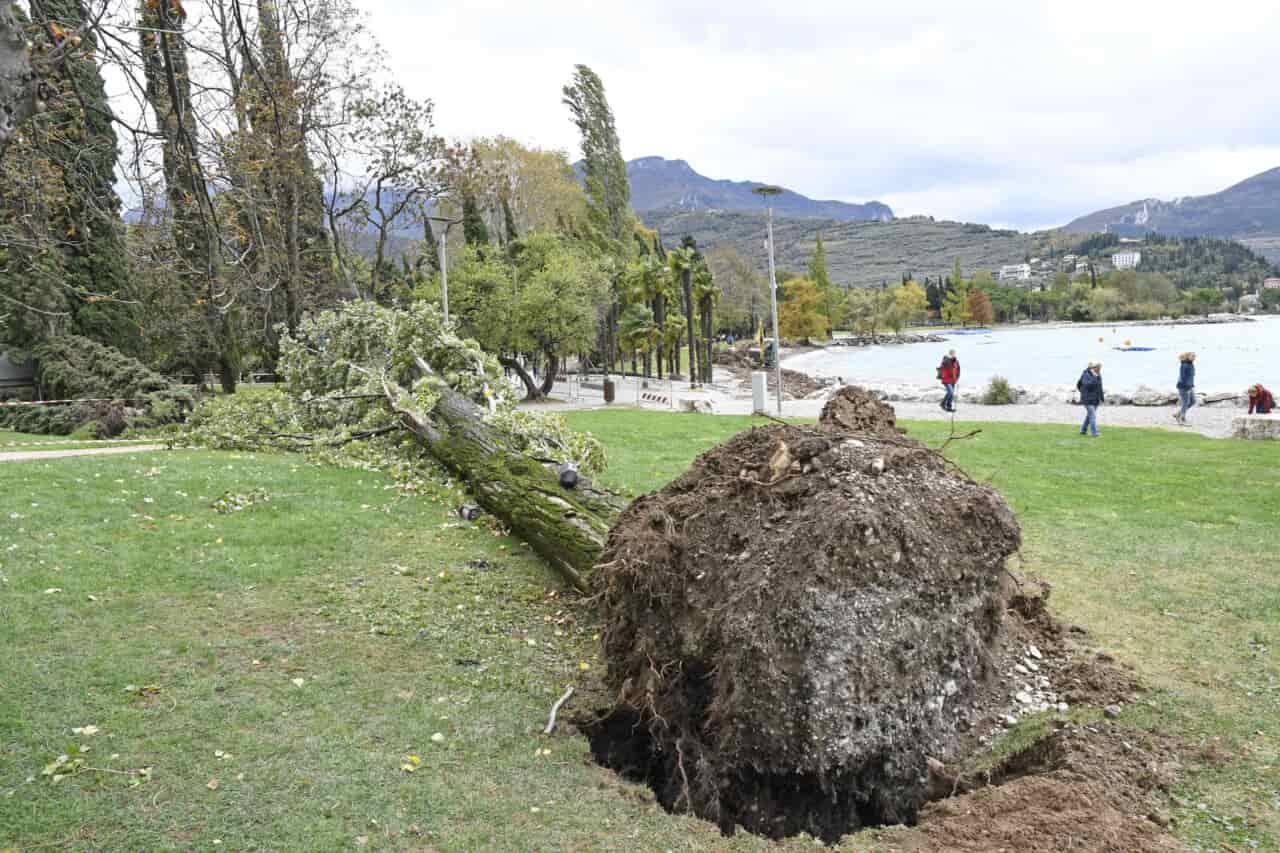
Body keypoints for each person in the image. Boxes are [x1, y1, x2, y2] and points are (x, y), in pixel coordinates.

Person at [1077, 360, 1104, 437]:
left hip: (1095, 399)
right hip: (1087, 399)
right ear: (1094, 368)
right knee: (1092, 416)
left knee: (1089, 416)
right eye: (1099, 367)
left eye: (1100, 368)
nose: (1100, 369)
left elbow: (1100, 387)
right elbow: (1086, 385)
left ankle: (1083, 430)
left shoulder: (1098, 374)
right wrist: (1095, 378)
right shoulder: (1086, 374)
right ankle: (1095, 433)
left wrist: (1101, 398)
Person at [1174, 352, 1196, 425]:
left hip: (1190, 386)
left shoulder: (1191, 364)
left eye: (1195, 356)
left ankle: (1178, 414)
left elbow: (1191, 377)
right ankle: (1181, 419)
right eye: (1192, 356)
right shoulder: (1185, 365)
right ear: (1188, 356)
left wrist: (1192, 386)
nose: (1194, 357)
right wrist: (1187, 388)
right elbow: (1183, 378)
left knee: (1193, 401)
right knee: (1185, 403)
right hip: (1184, 387)